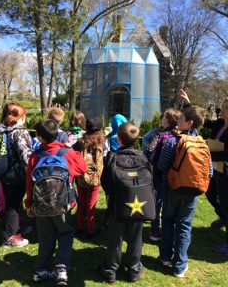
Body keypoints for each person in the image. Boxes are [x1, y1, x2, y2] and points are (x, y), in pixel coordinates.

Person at [25, 119, 86, 285]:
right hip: (63, 203)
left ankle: (41, 270)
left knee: (45, 236)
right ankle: (62, 269)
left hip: (41, 204)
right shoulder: (67, 152)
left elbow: (30, 183)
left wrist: (29, 204)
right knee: (65, 233)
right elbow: (82, 169)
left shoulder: (35, 155)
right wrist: (72, 150)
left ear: (39, 137)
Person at [157, 106, 213, 277]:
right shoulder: (204, 144)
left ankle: (166, 256)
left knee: (167, 220)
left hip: (172, 188)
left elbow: (160, 165)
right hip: (193, 192)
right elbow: (209, 172)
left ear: (189, 123)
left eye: (181, 119)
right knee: (184, 226)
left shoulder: (173, 141)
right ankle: (180, 265)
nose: (178, 122)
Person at [181, 89, 228, 255]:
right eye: (222, 106)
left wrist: (207, 153)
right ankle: (223, 216)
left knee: (226, 201)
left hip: (226, 170)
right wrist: (188, 104)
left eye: (225, 107)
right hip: (216, 168)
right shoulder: (219, 124)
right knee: (211, 194)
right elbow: (201, 120)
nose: (221, 110)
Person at [99, 123, 146, 284]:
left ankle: (111, 270)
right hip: (139, 203)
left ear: (118, 139)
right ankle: (134, 269)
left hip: (117, 203)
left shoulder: (112, 157)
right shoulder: (142, 156)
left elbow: (104, 181)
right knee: (135, 236)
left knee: (115, 237)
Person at [142, 108, 180, 242]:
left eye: (164, 117)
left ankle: (155, 230)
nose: (161, 119)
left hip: (158, 172)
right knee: (171, 203)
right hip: (174, 173)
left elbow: (146, 145)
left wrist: (149, 157)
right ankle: (170, 230)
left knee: (157, 201)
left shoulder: (157, 133)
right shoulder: (178, 135)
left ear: (168, 120)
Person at [0, 102, 33, 247]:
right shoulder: (20, 132)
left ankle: (15, 228)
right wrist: (31, 173)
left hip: (3, 172)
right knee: (12, 206)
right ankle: (10, 237)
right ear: (20, 117)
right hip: (17, 175)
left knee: (11, 204)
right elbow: (25, 156)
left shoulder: (1, 130)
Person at [73, 117, 106, 239]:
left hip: (81, 177)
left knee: (81, 202)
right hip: (95, 178)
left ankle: (80, 226)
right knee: (91, 204)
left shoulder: (79, 142)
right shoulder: (102, 143)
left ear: (86, 128)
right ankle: (91, 230)